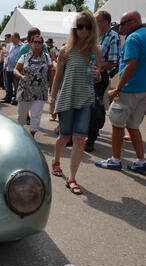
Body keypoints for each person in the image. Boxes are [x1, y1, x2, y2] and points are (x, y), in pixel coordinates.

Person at [49, 11, 102, 195]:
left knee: (79, 138)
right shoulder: (65, 50)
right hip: (67, 98)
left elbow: (97, 77)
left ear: (92, 29)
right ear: (75, 28)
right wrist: (52, 100)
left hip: (85, 99)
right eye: (80, 26)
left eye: (88, 26)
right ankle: (56, 161)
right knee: (64, 137)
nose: (84, 30)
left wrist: (98, 75)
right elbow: (58, 79)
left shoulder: (96, 51)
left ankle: (72, 178)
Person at [95, 10, 146, 173]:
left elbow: (131, 65)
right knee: (133, 126)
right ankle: (140, 160)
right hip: (142, 90)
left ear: (134, 22)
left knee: (117, 124)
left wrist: (117, 89)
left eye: (123, 23)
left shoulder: (133, 38)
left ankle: (115, 160)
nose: (120, 27)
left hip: (128, 89)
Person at [85, 10, 121, 153]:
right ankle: (78, 133)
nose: (93, 23)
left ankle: (91, 139)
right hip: (85, 75)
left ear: (106, 22)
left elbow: (113, 62)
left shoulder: (113, 37)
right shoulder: (93, 36)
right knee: (83, 105)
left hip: (100, 77)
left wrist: (96, 68)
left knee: (95, 108)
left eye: (96, 20)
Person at [14, 35, 53, 138]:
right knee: (21, 115)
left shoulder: (46, 57)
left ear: (42, 44)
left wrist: (52, 86)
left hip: (40, 91)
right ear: (30, 43)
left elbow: (50, 72)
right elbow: (15, 70)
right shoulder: (24, 56)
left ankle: (32, 136)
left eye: (39, 42)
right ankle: (20, 135)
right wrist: (21, 76)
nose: (37, 44)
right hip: (25, 90)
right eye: (35, 42)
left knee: (36, 115)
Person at [2, 33, 23, 105]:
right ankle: (8, 97)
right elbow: (8, 55)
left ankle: (16, 99)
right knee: (8, 84)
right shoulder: (10, 45)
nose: (11, 39)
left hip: (16, 69)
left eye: (12, 38)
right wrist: (6, 63)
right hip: (8, 68)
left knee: (17, 85)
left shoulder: (22, 46)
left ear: (17, 38)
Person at [1, 34, 12, 101]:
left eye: (5, 38)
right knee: (6, 82)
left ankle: (8, 97)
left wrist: (4, 52)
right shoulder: (8, 45)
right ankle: (7, 96)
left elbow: (8, 55)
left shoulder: (10, 45)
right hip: (6, 65)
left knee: (7, 82)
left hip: (7, 66)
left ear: (9, 38)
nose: (5, 40)